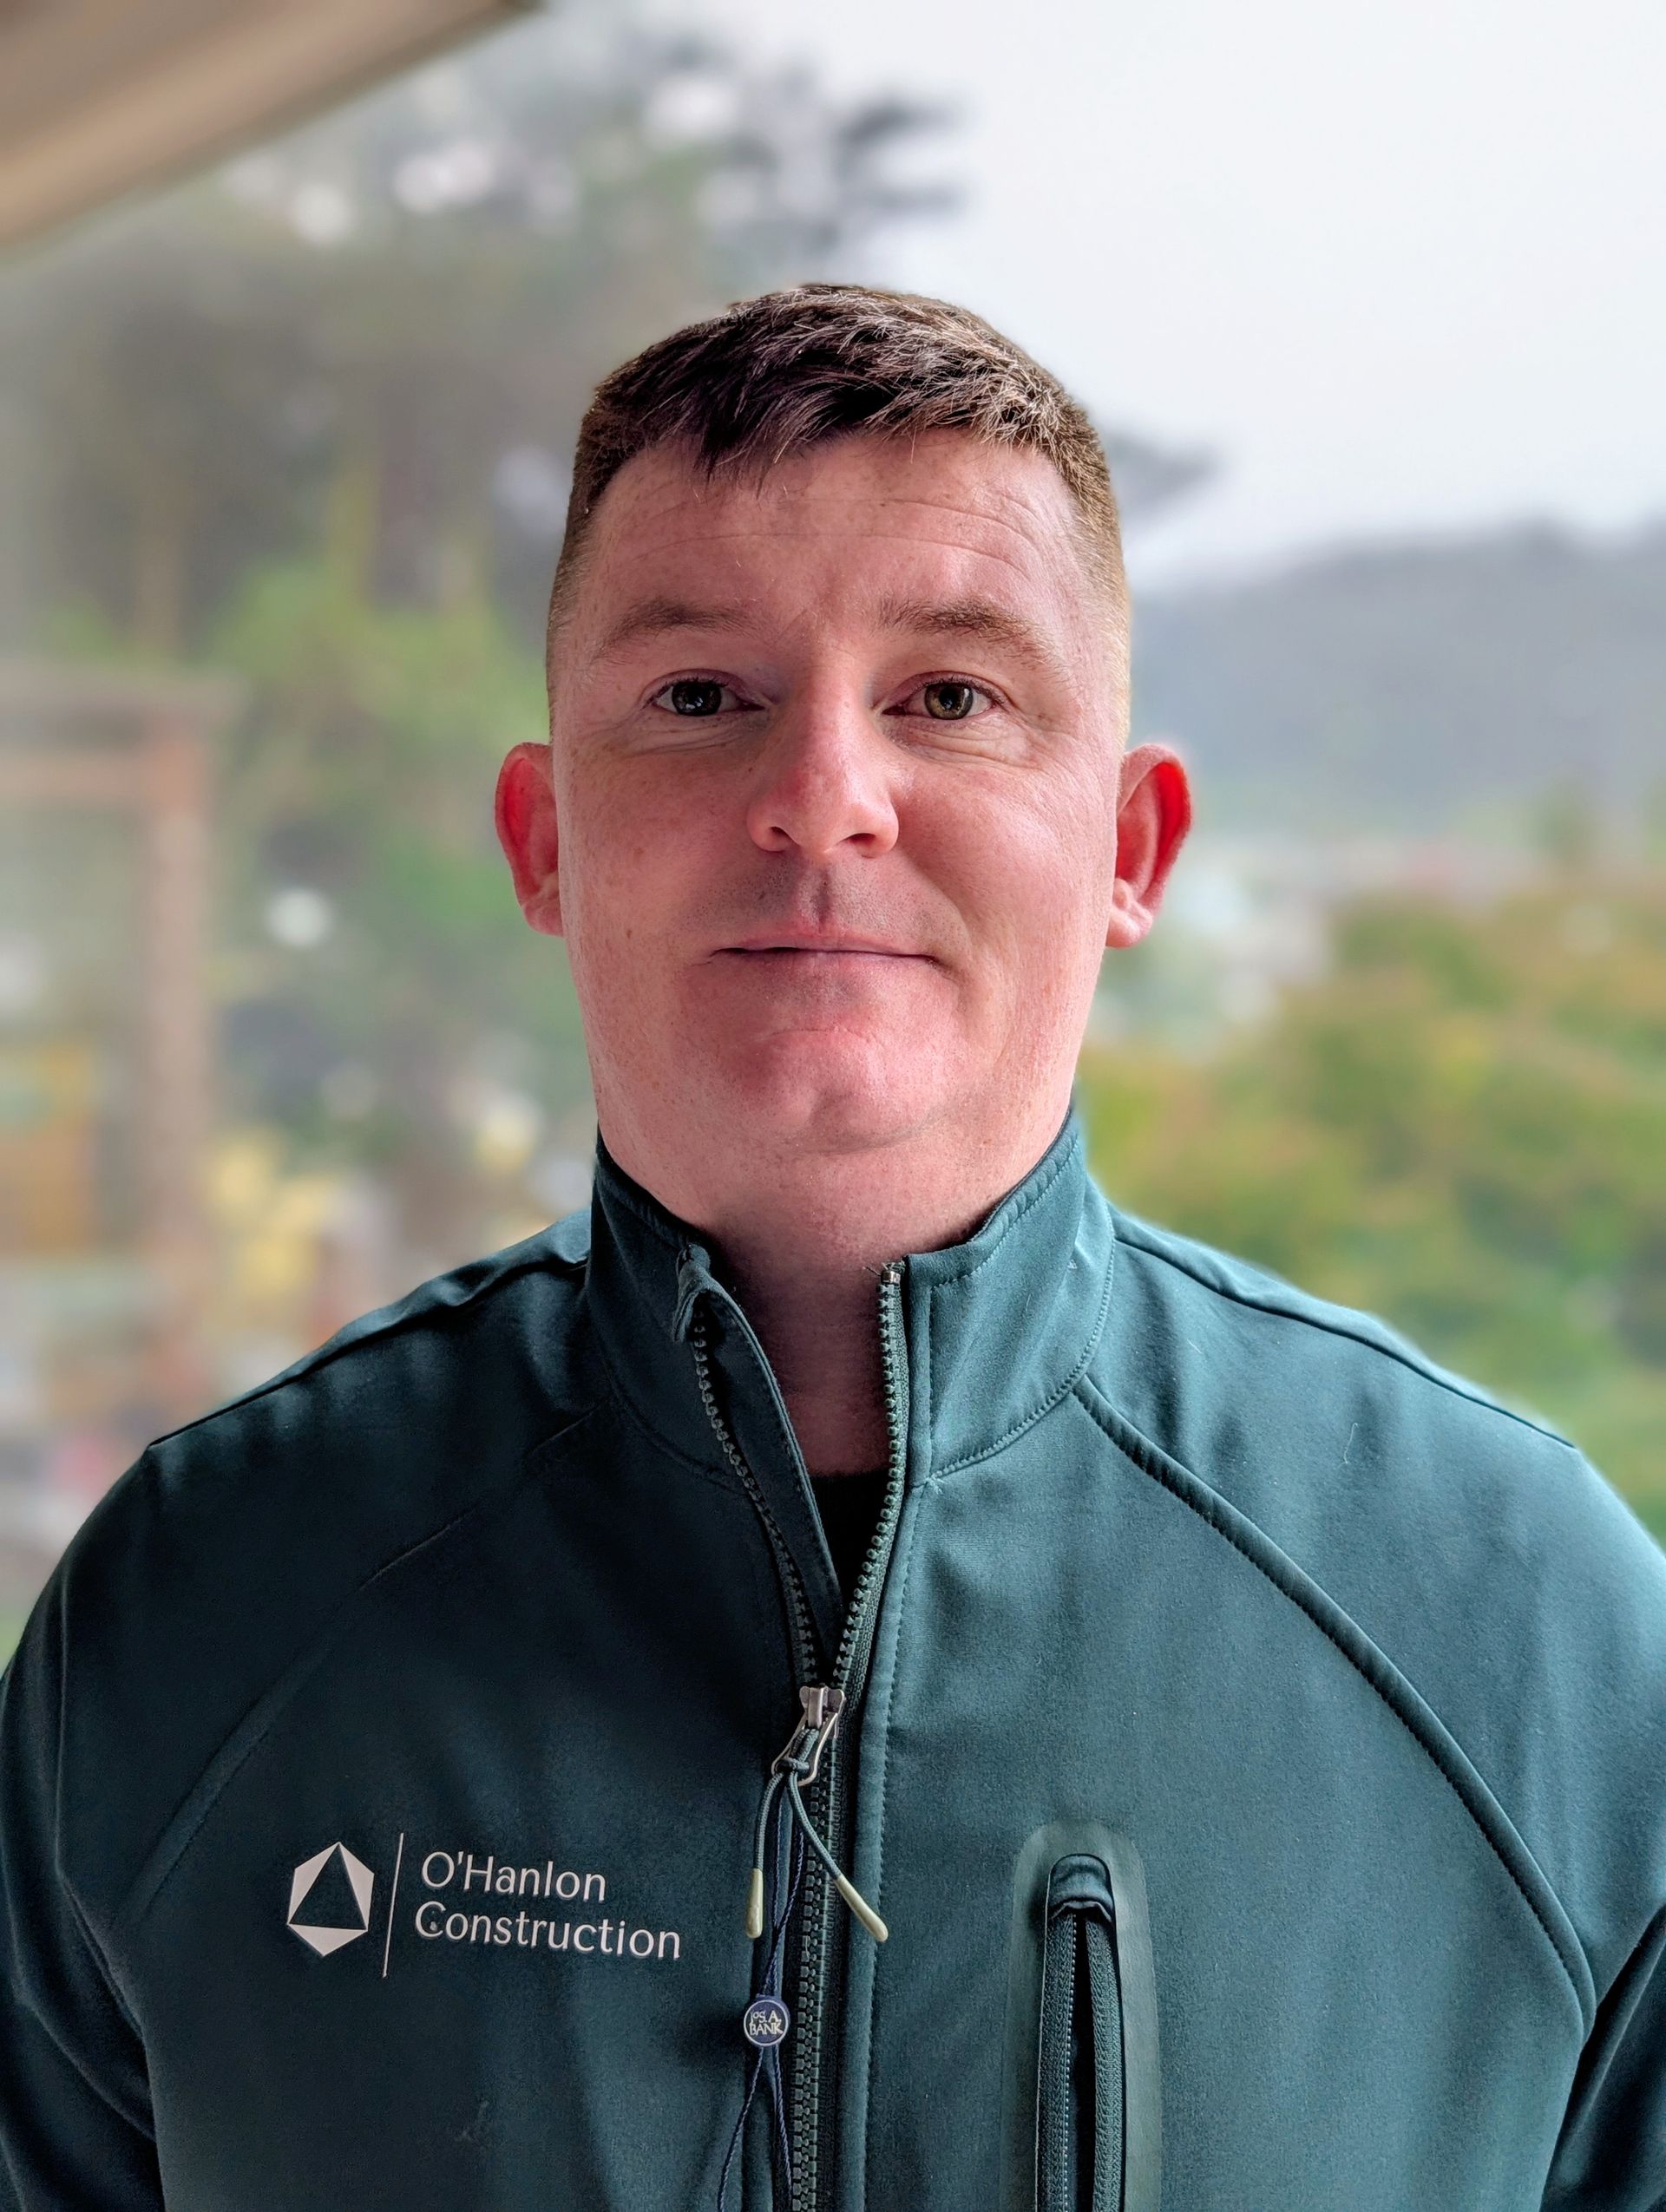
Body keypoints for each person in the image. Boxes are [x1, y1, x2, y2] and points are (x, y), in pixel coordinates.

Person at [1, 285, 1662, 2212]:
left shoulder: (1529, 1637)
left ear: (1134, 846)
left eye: (950, 698)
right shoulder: (196, 1611)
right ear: (544, 839)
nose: (822, 802)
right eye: (701, 696)